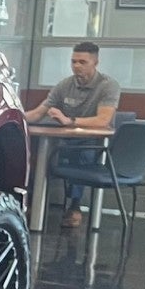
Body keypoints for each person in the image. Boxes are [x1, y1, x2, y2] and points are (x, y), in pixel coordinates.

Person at [27, 41, 122, 226]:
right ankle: (33, 202)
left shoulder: (108, 85)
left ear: (95, 63)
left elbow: (103, 120)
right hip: (65, 139)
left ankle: (75, 206)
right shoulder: (64, 85)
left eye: (82, 62)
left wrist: (69, 121)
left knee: (81, 153)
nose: (77, 66)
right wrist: (11, 116)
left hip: (94, 143)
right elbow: (38, 113)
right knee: (32, 149)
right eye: (74, 61)